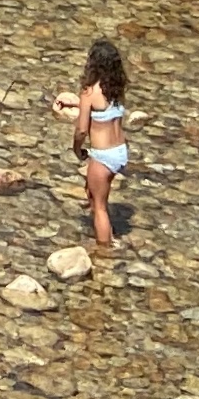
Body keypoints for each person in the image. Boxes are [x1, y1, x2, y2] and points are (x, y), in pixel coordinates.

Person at [57, 37, 129, 248]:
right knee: (91, 192)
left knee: (99, 207)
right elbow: (102, 110)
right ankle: (110, 238)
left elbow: (81, 129)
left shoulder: (89, 92)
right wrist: (77, 103)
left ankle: (104, 251)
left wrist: (77, 149)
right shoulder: (116, 89)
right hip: (120, 150)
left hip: (103, 155)